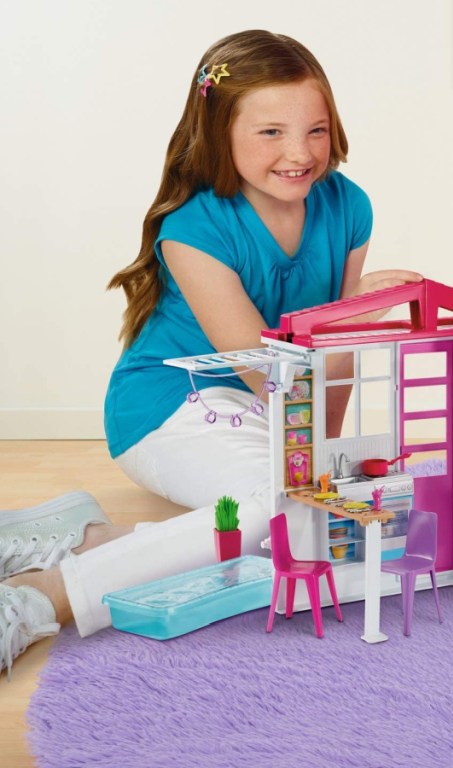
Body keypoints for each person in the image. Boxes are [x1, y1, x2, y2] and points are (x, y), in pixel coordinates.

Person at [0, 30, 421, 678]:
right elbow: (263, 371)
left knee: (317, 522)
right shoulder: (193, 230)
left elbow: (328, 374)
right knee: (279, 512)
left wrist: (325, 463)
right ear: (219, 131)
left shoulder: (348, 207)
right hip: (173, 402)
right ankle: (35, 599)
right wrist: (351, 314)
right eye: (271, 133)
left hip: (264, 403)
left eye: (315, 129)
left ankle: (90, 540)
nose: (300, 153)